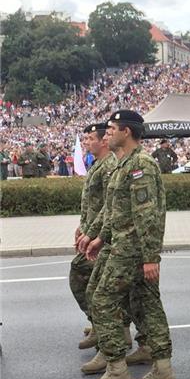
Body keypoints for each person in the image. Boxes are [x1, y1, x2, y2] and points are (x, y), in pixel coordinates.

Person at [83, 110, 172, 379]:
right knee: (146, 305)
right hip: (122, 245)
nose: (107, 133)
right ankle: (162, 368)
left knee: (102, 300)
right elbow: (116, 211)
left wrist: (150, 257)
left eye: (112, 129)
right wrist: (99, 238)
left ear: (127, 132)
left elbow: (146, 216)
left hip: (132, 249)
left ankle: (117, 370)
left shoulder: (140, 165)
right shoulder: (124, 164)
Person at [69, 123, 117, 345]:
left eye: (90, 138)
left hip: (104, 237)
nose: (86, 142)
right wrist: (82, 226)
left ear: (103, 141)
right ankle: (102, 325)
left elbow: (109, 205)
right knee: (93, 285)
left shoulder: (109, 167)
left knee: (90, 283)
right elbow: (92, 203)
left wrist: (91, 233)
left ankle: (107, 331)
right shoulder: (98, 164)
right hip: (94, 233)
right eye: (85, 138)